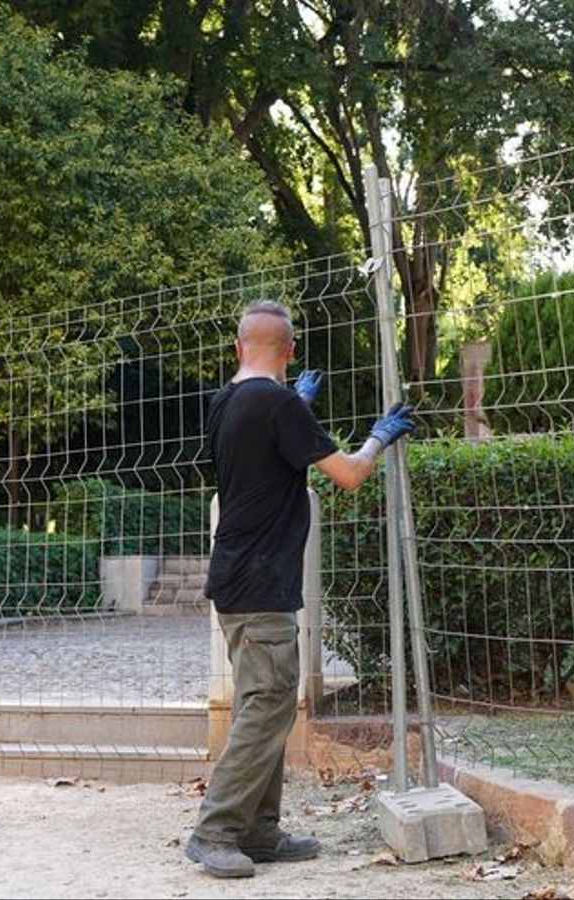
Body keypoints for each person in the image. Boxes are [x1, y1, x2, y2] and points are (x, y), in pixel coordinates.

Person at [184, 300, 414, 879]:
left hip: (235, 575)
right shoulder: (279, 403)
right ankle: (215, 830)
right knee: (266, 708)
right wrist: (378, 438)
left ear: (238, 348)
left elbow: (262, 449)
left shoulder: (226, 402)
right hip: (262, 581)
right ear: (289, 352)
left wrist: (300, 404)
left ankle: (259, 831)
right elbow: (349, 475)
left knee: (268, 705)